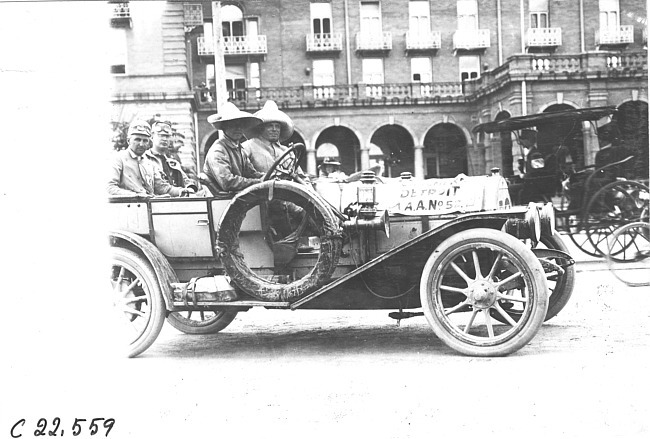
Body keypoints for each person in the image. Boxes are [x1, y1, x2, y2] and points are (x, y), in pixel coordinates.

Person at [108, 120, 193, 197]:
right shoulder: (118, 159)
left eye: (145, 141)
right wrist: (135, 196)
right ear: (128, 140)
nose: (141, 144)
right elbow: (110, 187)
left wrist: (182, 191)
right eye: (137, 140)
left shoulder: (149, 162)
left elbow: (163, 188)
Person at [203, 102, 264, 194]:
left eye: (240, 125)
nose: (238, 129)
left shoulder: (240, 149)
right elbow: (227, 182)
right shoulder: (218, 150)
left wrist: (267, 177)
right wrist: (258, 182)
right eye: (233, 125)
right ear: (224, 127)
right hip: (223, 200)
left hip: (235, 197)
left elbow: (251, 173)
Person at [242, 100, 295, 173]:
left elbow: (299, 175)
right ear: (261, 128)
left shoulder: (286, 151)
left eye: (277, 126)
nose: (274, 129)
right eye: (270, 126)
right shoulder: (247, 147)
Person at [145, 120, 197, 193]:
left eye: (167, 136)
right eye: (161, 135)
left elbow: (187, 182)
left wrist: (190, 188)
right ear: (152, 136)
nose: (164, 139)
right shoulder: (144, 159)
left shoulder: (173, 163)